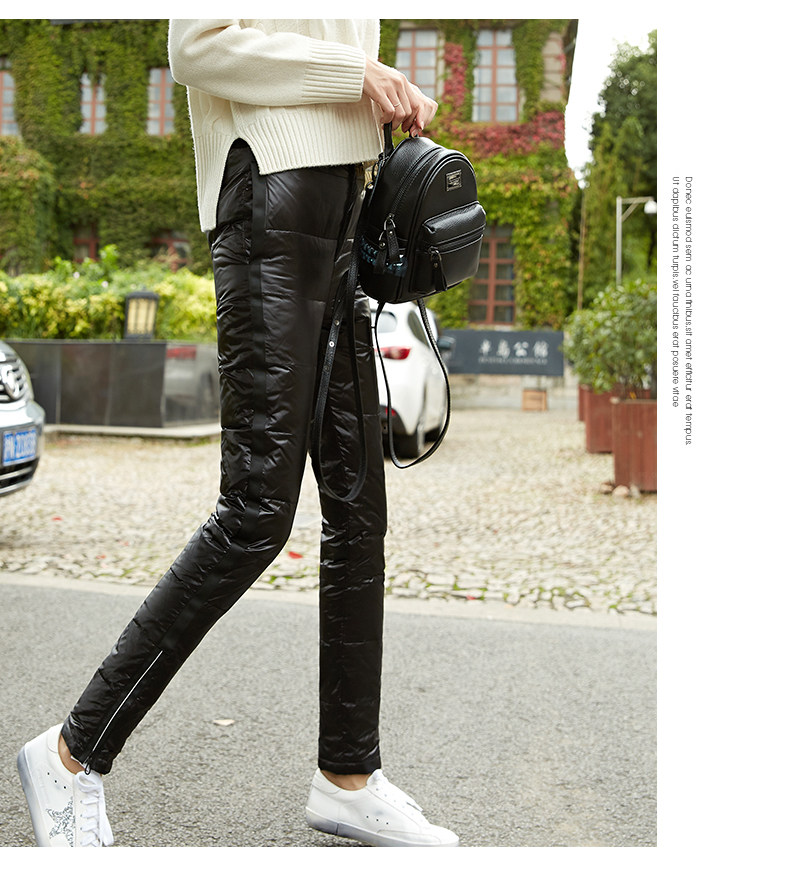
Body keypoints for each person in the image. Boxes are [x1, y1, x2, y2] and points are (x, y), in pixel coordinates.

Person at [16, 19, 458, 849]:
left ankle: (348, 777)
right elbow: (197, 47)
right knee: (257, 509)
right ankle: (71, 755)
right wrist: (355, 72)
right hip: (271, 205)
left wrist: (380, 92)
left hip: (348, 206)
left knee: (359, 510)